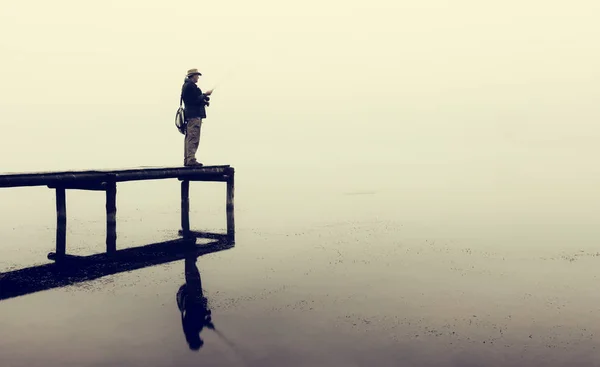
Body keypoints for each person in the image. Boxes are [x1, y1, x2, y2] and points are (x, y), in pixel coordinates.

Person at [181, 68, 213, 167]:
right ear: (192, 76)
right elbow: (194, 100)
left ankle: (188, 159)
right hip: (193, 116)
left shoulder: (187, 86)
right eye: (197, 75)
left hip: (190, 115)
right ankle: (191, 160)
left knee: (190, 137)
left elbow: (194, 99)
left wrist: (204, 99)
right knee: (193, 137)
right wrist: (205, 95)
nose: (198, 77)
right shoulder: (190, 86)